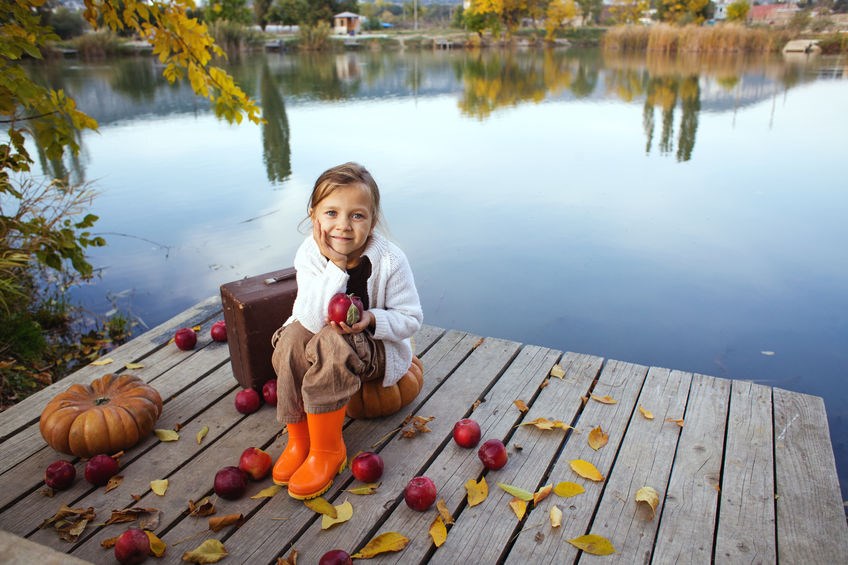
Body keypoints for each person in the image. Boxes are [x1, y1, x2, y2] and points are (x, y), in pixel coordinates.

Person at [270, 162, 423, 500]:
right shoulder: (309, 255)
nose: (343, 225)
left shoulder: (390, 260)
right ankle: (300, 440)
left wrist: (372, 319)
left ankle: (327, 450)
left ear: (372, 220)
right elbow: (307, 318)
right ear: (314, 217)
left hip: (375, 353)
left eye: (357, 215)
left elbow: (411, 319)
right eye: (331, 213)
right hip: (320, 348)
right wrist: (335, 265)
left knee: (332, 339)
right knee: (292, 338)